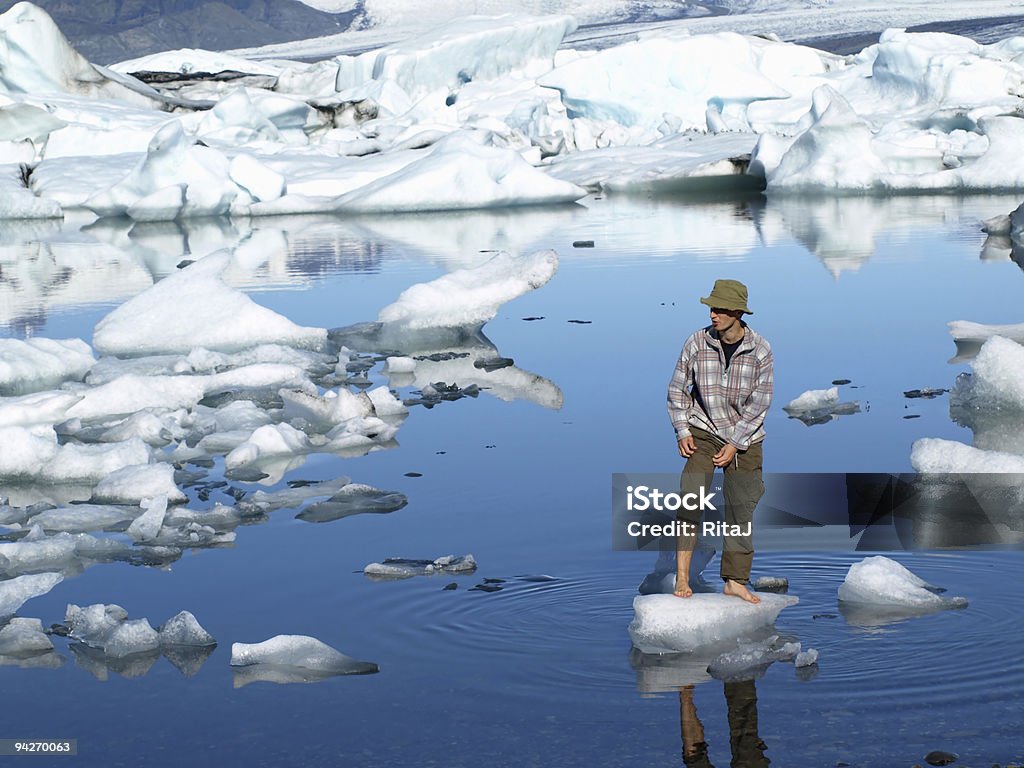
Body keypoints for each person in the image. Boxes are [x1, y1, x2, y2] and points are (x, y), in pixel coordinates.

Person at [667, 279, 773, 604]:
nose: (713, 314)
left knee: (741, 510)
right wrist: (683, 430)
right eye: (711, 308)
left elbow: (760, 402)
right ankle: (682, 576)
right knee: (690, 500)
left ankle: (735, 580)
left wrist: (736, 443)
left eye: (720, 309)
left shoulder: (760, 350)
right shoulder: (696, 343)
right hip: (703, 431)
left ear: (737, 313)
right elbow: (676, 389)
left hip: (745, 438)